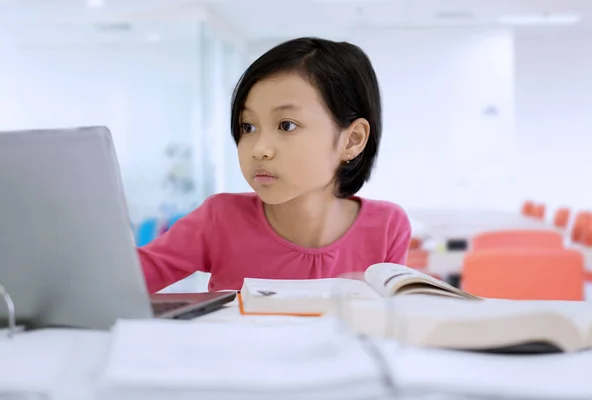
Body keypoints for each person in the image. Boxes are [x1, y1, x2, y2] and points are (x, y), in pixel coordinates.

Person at [138, 37, 411, 293]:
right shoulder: (219, 219)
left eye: (286, 125)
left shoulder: (387, 227)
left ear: (352, 140)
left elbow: (389, 327)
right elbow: (126, 282)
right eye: (248, 126)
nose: (259, 150)